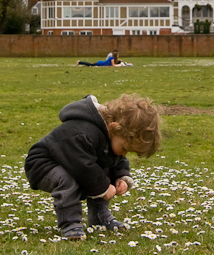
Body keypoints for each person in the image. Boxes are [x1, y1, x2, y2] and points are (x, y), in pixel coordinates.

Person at [24, 94, 162, 241]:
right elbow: (81, 166)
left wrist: (121, 177)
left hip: (72, 163)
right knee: (68, 180)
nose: (124, 154)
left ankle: (99, 219)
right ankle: (70, 223)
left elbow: (113, 159)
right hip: (43, 163)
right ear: (114, 128)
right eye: (124, 148)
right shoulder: (83, 131)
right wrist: (103, 187)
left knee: (102, 171)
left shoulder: (110, 136)